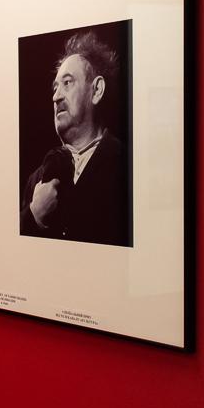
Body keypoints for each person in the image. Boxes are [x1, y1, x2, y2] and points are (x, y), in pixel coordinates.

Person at [19, 30, 130, 246]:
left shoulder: (127, 166)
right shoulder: (36, 179)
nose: (55, 96)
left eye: (67, 83)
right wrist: (33, 215)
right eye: (55, 87)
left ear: (96, 90)